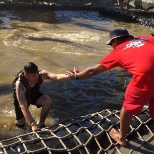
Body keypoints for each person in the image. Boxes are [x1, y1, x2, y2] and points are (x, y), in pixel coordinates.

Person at [66, 28, 154, 146]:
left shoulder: (118, 52)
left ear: (116, 41)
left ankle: (121, 138)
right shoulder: (145, 38)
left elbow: (93, 70)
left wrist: (77, 76)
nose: (111, 47)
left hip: (146, 77)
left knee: (127, 108)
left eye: (111, 44)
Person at [13, 62, 70, 131]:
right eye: (33, 75)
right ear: (26, 75)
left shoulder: (41, 74)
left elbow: (56, 77)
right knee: (21, 125)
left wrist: (71, 76)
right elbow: (23, 107)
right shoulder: (20, 85)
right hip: (22, 97)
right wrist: (33, 124)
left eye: (37, 73)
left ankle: (41, 123)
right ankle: (26, 125)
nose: (37, 77)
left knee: (48, 101)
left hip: (34, 93)